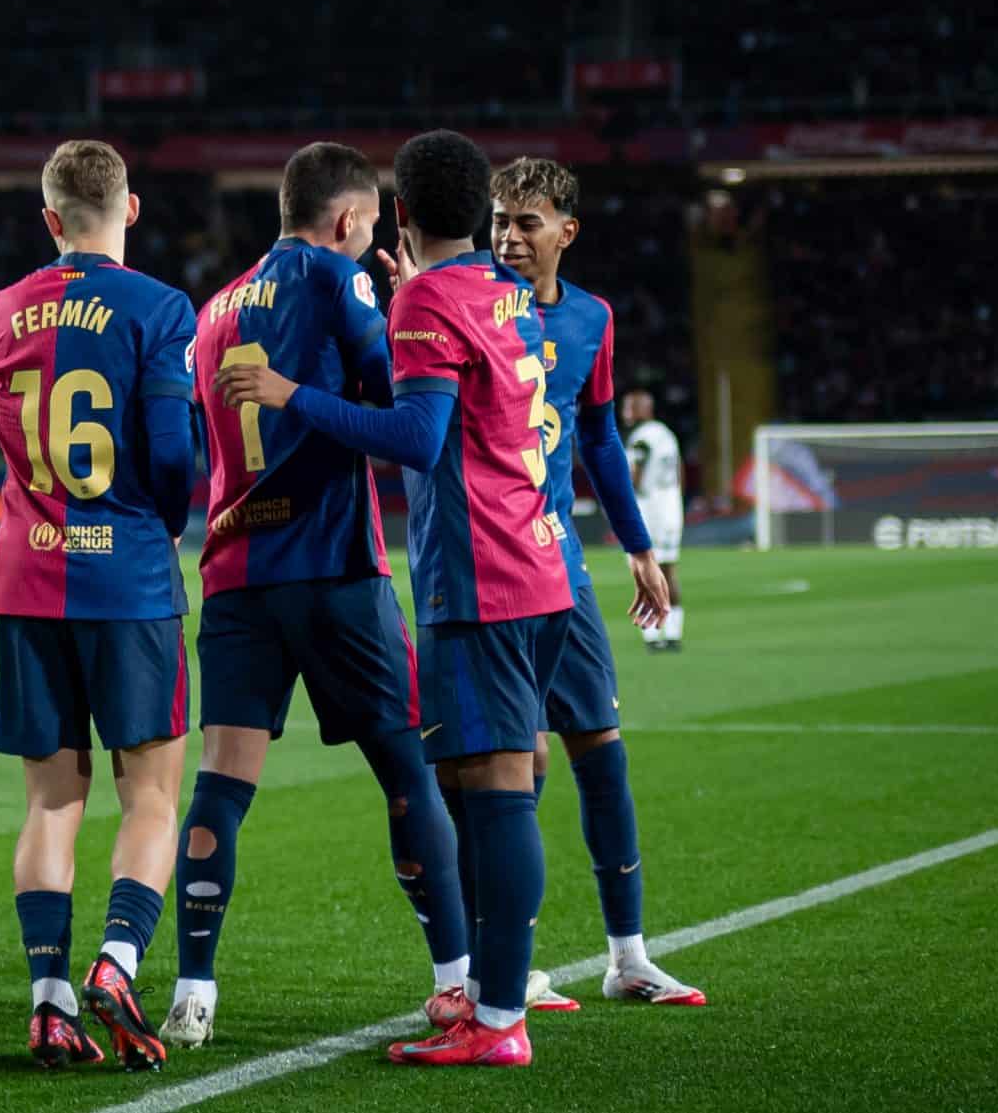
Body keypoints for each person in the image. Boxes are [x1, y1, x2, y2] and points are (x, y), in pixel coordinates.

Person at [217, 130, 667, 1068]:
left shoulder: (429, 297)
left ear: (407, 215)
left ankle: (501, 1017)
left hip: (484, 579)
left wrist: (293, 390)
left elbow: (417, 440)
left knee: (498, 792)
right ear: (480, 219)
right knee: (480, 779)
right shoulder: (508, 296)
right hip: (545, 570)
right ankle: (499, 992)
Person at [159, 143, 469, 1049]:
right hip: (334, 569)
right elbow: (401, 422)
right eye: (370, 226)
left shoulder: (214, 309)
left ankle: (194, 990)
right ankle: (454, 979)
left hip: (236, 578)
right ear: (346, 221)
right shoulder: (342, 285)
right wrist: (410, 302)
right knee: (407, 772)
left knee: (222, 783)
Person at [0, 141, 199, 1072]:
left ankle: (49, 1000)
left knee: (49, 803)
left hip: (29, 573)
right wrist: (165, 522)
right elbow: (172, 452)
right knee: (149, 792)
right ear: (131, 209)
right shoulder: (158, 306)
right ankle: (116, 960)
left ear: (49, 218)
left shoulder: (3, 307)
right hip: (131, 577)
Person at [482, 159, 704, 1009]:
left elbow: (600, 438)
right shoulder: (470, 306)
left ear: (565, 231)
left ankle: (629, 955)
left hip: (561, 561)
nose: (508, 235)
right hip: (494, 570)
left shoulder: (592, 321)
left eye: (526, 221)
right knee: (516, 764)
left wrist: (639, 547)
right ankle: (511, 965)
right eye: (500, 219)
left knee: (601, 753)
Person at [622, 389, 686, 650]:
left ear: (642, 410)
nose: (625, 412)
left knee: (643, 568)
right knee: (668, 569)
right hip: (671, 502)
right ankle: (673, 633)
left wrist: (622, 504)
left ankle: (652, 634)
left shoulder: (642, 438)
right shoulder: (666, 434)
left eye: (629, 407)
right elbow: (680, 469)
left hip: (649, 506)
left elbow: (636, 474)